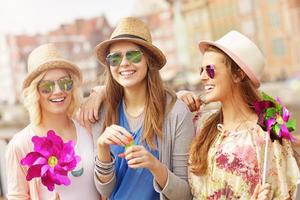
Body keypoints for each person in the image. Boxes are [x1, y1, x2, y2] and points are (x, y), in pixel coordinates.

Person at [91, 17, 194, 200]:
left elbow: (185, 195)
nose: (123, 63)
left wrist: (155, 165)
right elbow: (105, 191)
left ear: (149, 60)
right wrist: (102, 148)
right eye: (115, 58)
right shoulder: (103, 112)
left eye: (133, 55)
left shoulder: (176, 113)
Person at [188, 30, 300, 199]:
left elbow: (285, 194)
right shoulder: (201, 124)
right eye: (201, 70)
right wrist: (180, 98)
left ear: (238, 74)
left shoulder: (267, 135)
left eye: (210, 70)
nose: (203, 77)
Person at [5, 44, 102, 200]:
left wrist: (100, 92)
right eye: (47, 86)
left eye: (65, 83)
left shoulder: (89, 127)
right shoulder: (20, 145)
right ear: (35, 92)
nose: (58, 91)